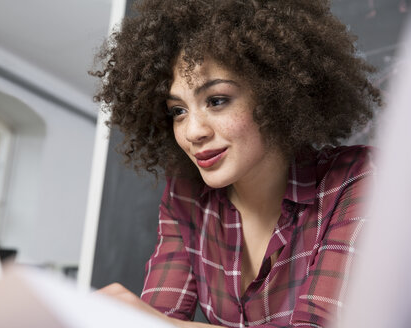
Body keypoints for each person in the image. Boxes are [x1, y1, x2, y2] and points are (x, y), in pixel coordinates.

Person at [92, 0, 381, 327]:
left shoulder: (355, 180)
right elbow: (158, 317)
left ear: (277, 94)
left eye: (216, 101)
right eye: (178, 111)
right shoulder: (186, 196)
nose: (192, 132)